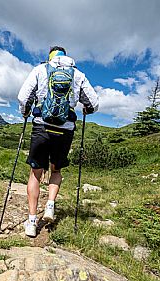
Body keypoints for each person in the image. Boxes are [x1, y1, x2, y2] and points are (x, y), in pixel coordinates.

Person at [18, 46, 99, 237]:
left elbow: (23, 97)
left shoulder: (40, 69)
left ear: (51, 57)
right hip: (65, 131)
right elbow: (94, 103)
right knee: (56, 170)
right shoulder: (78, 75)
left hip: (42, 127)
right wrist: (86, 109)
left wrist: (26, 111)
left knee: (35, 174)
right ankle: (50, 206)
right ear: (67, 57)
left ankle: (31, 223)